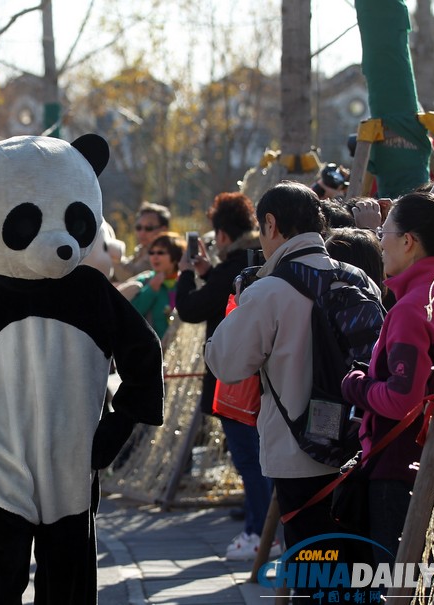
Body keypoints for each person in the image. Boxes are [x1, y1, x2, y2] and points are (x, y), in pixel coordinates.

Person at [205, 181, 381, 598]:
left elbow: (225, 363)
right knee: (352, 570)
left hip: (298, 452)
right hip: (360, 443)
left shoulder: (270, 289)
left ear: (271, 224)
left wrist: (240, 303)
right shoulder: (357, 277)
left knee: (309, 569)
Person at [173, 192, 276, 560]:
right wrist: (207, 273)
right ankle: (262, 524)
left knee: (248, 459)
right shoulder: (261, 259)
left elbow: (189, 309)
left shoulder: (232, 265)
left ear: (223, 235)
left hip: (237, 380)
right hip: (268, 376)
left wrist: (186, 272)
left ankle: (259, 533)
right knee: (262, 458)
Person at [341, 190, 434, 566]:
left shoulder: (413, 308)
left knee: (395, 582)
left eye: (384, 232)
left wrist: (356, 384)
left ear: (409, 241)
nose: (379, 240)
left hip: (401, 468)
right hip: (425, 462)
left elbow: (402, 399)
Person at [117, 231, 185, 340]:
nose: (155, 257)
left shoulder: (185, 284)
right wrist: (150, 290)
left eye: (160, 253)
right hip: (149, 351)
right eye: (152, 253)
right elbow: (128, 316)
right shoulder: (143, 281)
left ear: (176, 257)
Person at [113, 201, 170, 282]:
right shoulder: (141, 250)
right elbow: (128, 266)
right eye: (139, 227)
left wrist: (110, 256)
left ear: (164, 229)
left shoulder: (166, 254)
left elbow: (132, 277)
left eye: (149, 228)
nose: (142, 233)